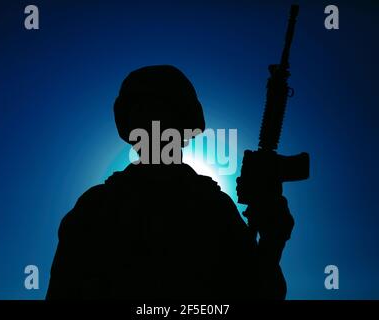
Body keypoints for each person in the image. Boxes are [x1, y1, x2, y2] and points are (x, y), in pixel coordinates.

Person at [46, 65, 294, 299]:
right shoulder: (95, 207)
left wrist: (273, 239)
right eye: (146, 113)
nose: (156, 126)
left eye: (164, 113)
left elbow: (258, 291)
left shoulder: (213, 206)